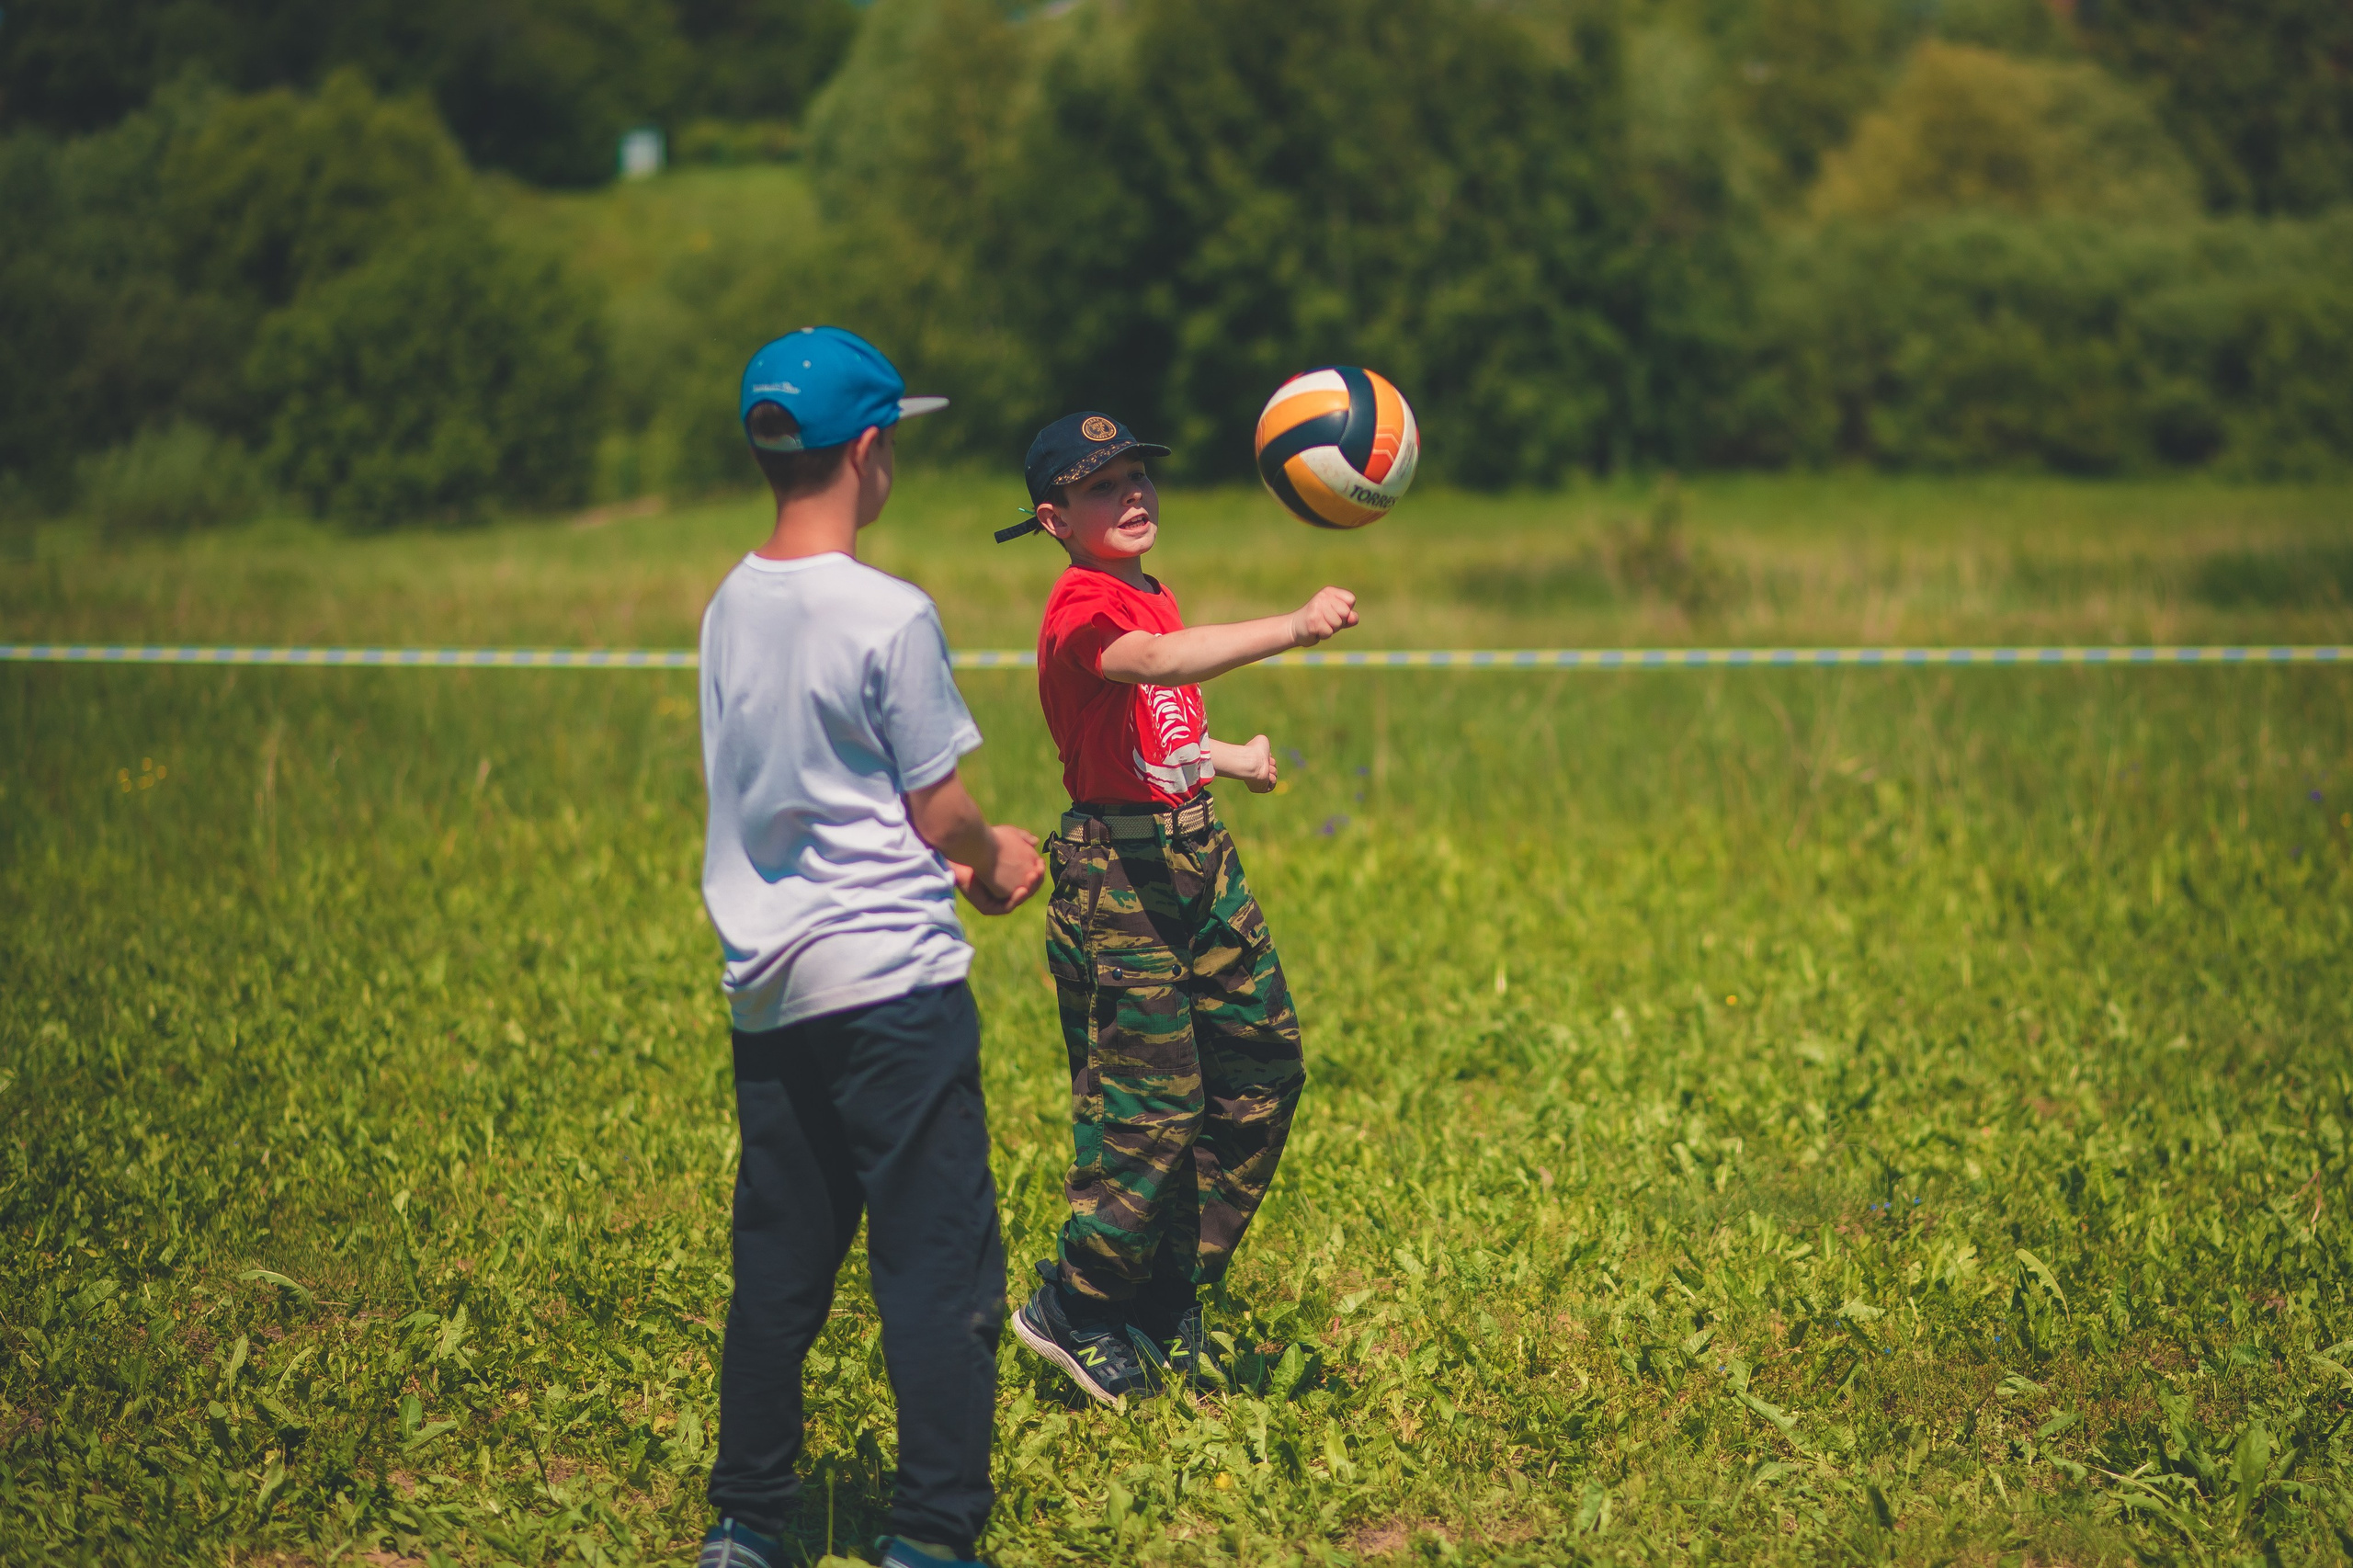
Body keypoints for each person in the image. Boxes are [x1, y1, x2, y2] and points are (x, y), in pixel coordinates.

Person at [697, 327, 1044, 1568]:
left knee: (779, 1262)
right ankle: (934, 1535)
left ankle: (746, 1520)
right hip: (896, 990)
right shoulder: (890, 613)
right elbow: (937, 811)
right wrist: (996, 857)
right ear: (869, 451)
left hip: (770, 990)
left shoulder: (728, 606)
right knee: (936, 1259)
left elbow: (793, 795)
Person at [996, 412, 1358, 1403]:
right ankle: (1076, 1303)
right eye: (1100, 485)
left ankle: (1160, 1298)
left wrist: (1227, 757)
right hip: (1120, 877)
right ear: (1055, 518)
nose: (1131, 494)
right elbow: (1153, 666)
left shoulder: (1151, 593)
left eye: (1137, 475)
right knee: (1152, 1108)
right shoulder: (1081, 606)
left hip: (1198, 858)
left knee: (1262, 1068)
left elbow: (1154, 729)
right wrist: (1292, 627)